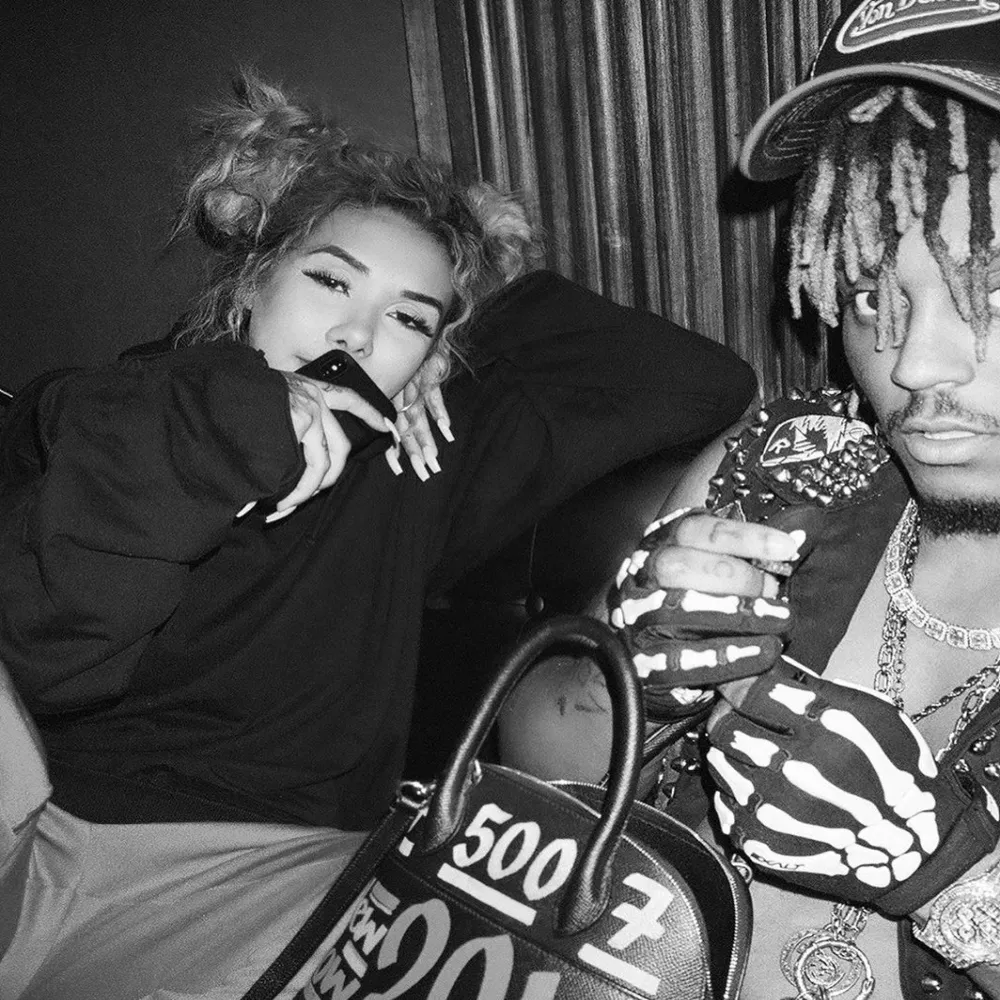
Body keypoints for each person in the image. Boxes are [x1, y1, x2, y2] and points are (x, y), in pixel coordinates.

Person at [0, 72, 755, 998]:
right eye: (329, 281)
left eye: (405, 316)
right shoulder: (140, 403)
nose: (356, 334)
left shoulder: (418, 459)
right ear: (253, 281)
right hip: (40, 819)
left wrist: (461, 335)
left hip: (268, 873)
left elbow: (700, 380)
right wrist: (248, 408)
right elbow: (53, 653)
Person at [500, 5, 1000, 998]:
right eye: (873, 295)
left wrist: (952, 879)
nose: (914, 364)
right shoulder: (789, 467)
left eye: (990, 291)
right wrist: (638, 680)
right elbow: (537, 759)